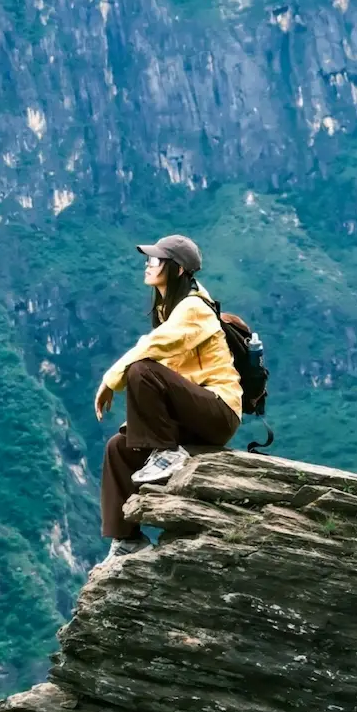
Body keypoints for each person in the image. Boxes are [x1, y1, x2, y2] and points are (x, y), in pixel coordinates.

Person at [94, 234, 242, 564]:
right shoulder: (168, 309)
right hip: (190, 416)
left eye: (157, 259)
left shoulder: (193, 307)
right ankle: (126, 538)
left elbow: (154, 349)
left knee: (141, 370)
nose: (148, 264)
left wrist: (109, 381)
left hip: (218, 411)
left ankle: (167, 452)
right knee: (118, 448)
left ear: (177, 270)